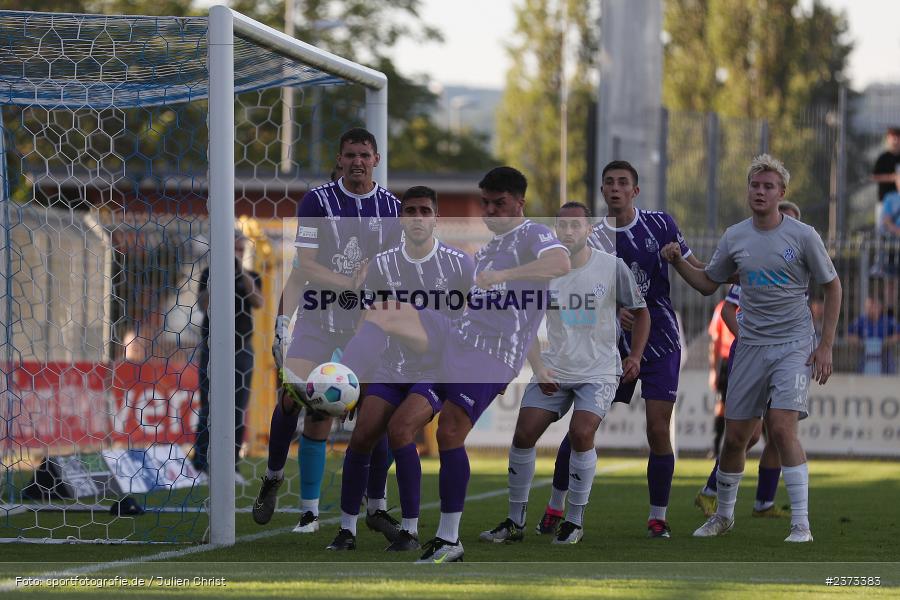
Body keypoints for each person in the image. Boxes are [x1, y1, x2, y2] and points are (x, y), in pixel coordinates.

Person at [333, 166, 570, 562]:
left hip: (489, 354)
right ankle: (342, 386)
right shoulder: (487, 250)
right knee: (398, 406)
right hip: (455, 337)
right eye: (486, 203)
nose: (490, 210)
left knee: (449, 433)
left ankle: (448, 539)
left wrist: (505, 276)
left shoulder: (534, 234)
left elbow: (560, 264)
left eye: (500, 203)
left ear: (519, 203)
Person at [662, 153, 841, 543]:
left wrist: (824, 345)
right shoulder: (736, 236)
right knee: (736, 437)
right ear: (748, 190)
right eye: (755, 185)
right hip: (749, 346)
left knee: (781, 428)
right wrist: (677, 263)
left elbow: (833, 286)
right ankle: (723, 516)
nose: (760, 192)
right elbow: (710, 283)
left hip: (794, 344)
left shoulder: (803, 235)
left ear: (781, 193)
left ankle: (801, 524)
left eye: (768, 187)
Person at [538, 160, 702, 539]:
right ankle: (555, 506)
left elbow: (699, 272)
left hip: (660, 341)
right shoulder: (592, 238)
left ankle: (657, 517)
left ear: (635, 191)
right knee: (582, 427)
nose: (615, 188)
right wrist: (613, 308)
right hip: (606, 347)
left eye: (622, 182)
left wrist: (683, 259)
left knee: (658, 428)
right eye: (608, 182)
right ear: (602, 190)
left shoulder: (661, 225)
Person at [255, 128, 402, 537]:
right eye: (350, 154)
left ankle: (368, 506)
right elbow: (304, 266)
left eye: (364, 154)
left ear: (376, 159)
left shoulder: (392, 209)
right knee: (294, 397)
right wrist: (283, 322)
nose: (357, 161)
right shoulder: (317, 202)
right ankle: (273, 476)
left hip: (364, 328)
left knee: (376, 411)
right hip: (318, 322)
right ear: (339, 159)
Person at [478, 202, 649, 546]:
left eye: (576, 225)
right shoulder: (540, 272)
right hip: (554, 368)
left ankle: (573, 521)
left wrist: (635, 355)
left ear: (588, 230)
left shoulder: (611, 267)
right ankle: (514, 521)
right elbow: (524, 327)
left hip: (598, 371)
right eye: (563, 225)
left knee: (581, 432)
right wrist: (539, 368)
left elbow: (641, 312)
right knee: (524, 433)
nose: (569, 231)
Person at [325, 186, 475, 552]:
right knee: (361, 436)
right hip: (391, 366)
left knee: (401, 429)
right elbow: (368, 317)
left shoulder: (460, 263)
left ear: (436, 217)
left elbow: (475, 319)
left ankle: (409, 530)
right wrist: (352, 376)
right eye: (410, 211)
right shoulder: (381, 264)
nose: (417, 217)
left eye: (425, 210)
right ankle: (347, 530)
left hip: (435, 370)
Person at [695, 201, 803, 520]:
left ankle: (763, 503)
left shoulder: (801, 264)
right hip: (751, 359)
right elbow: (727, 307)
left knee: (779, 433)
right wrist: (748, 338)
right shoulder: (757, 263)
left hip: (784, 358)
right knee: (751, 434)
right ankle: (712, 493)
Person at [193, 233, 263, 482]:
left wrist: (240, 272)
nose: (238, 252)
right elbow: (203, 305)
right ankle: (201, 466)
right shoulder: (209, 273)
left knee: (237, 408)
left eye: (241, 249)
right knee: (209, 407)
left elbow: (258, 301)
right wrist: (220, 275)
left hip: (242, 348)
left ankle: (231, 466)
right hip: (213, 347)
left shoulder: (252, 277)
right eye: (234, 248)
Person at [707, 298, 735, 458]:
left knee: (761, 406)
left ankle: (771, 449)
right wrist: (713, 371)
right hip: (727, 360)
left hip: (747, 357)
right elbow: (715, 342)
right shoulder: (722, 308)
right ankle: (716, 448)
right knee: (722, 405)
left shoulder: (753, 302)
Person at [847, 296, 898, 375]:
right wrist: (859, 342)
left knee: (888, 374)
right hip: (866, 355)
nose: (868, 309)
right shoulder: (861, 321)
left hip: (884, 355)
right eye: (867, 307)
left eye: (871, 306)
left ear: (879, 307)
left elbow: (897, 335)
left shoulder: (888, 321)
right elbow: (849, 335)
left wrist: (887, 341)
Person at [872, 127, 900, 234]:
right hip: (884, 200)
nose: (896, 141)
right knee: (883, 231)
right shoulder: (883, 158)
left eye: (898, 138)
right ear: (888, 139)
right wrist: (892, 178)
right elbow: (875, 176)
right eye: (893, 138)